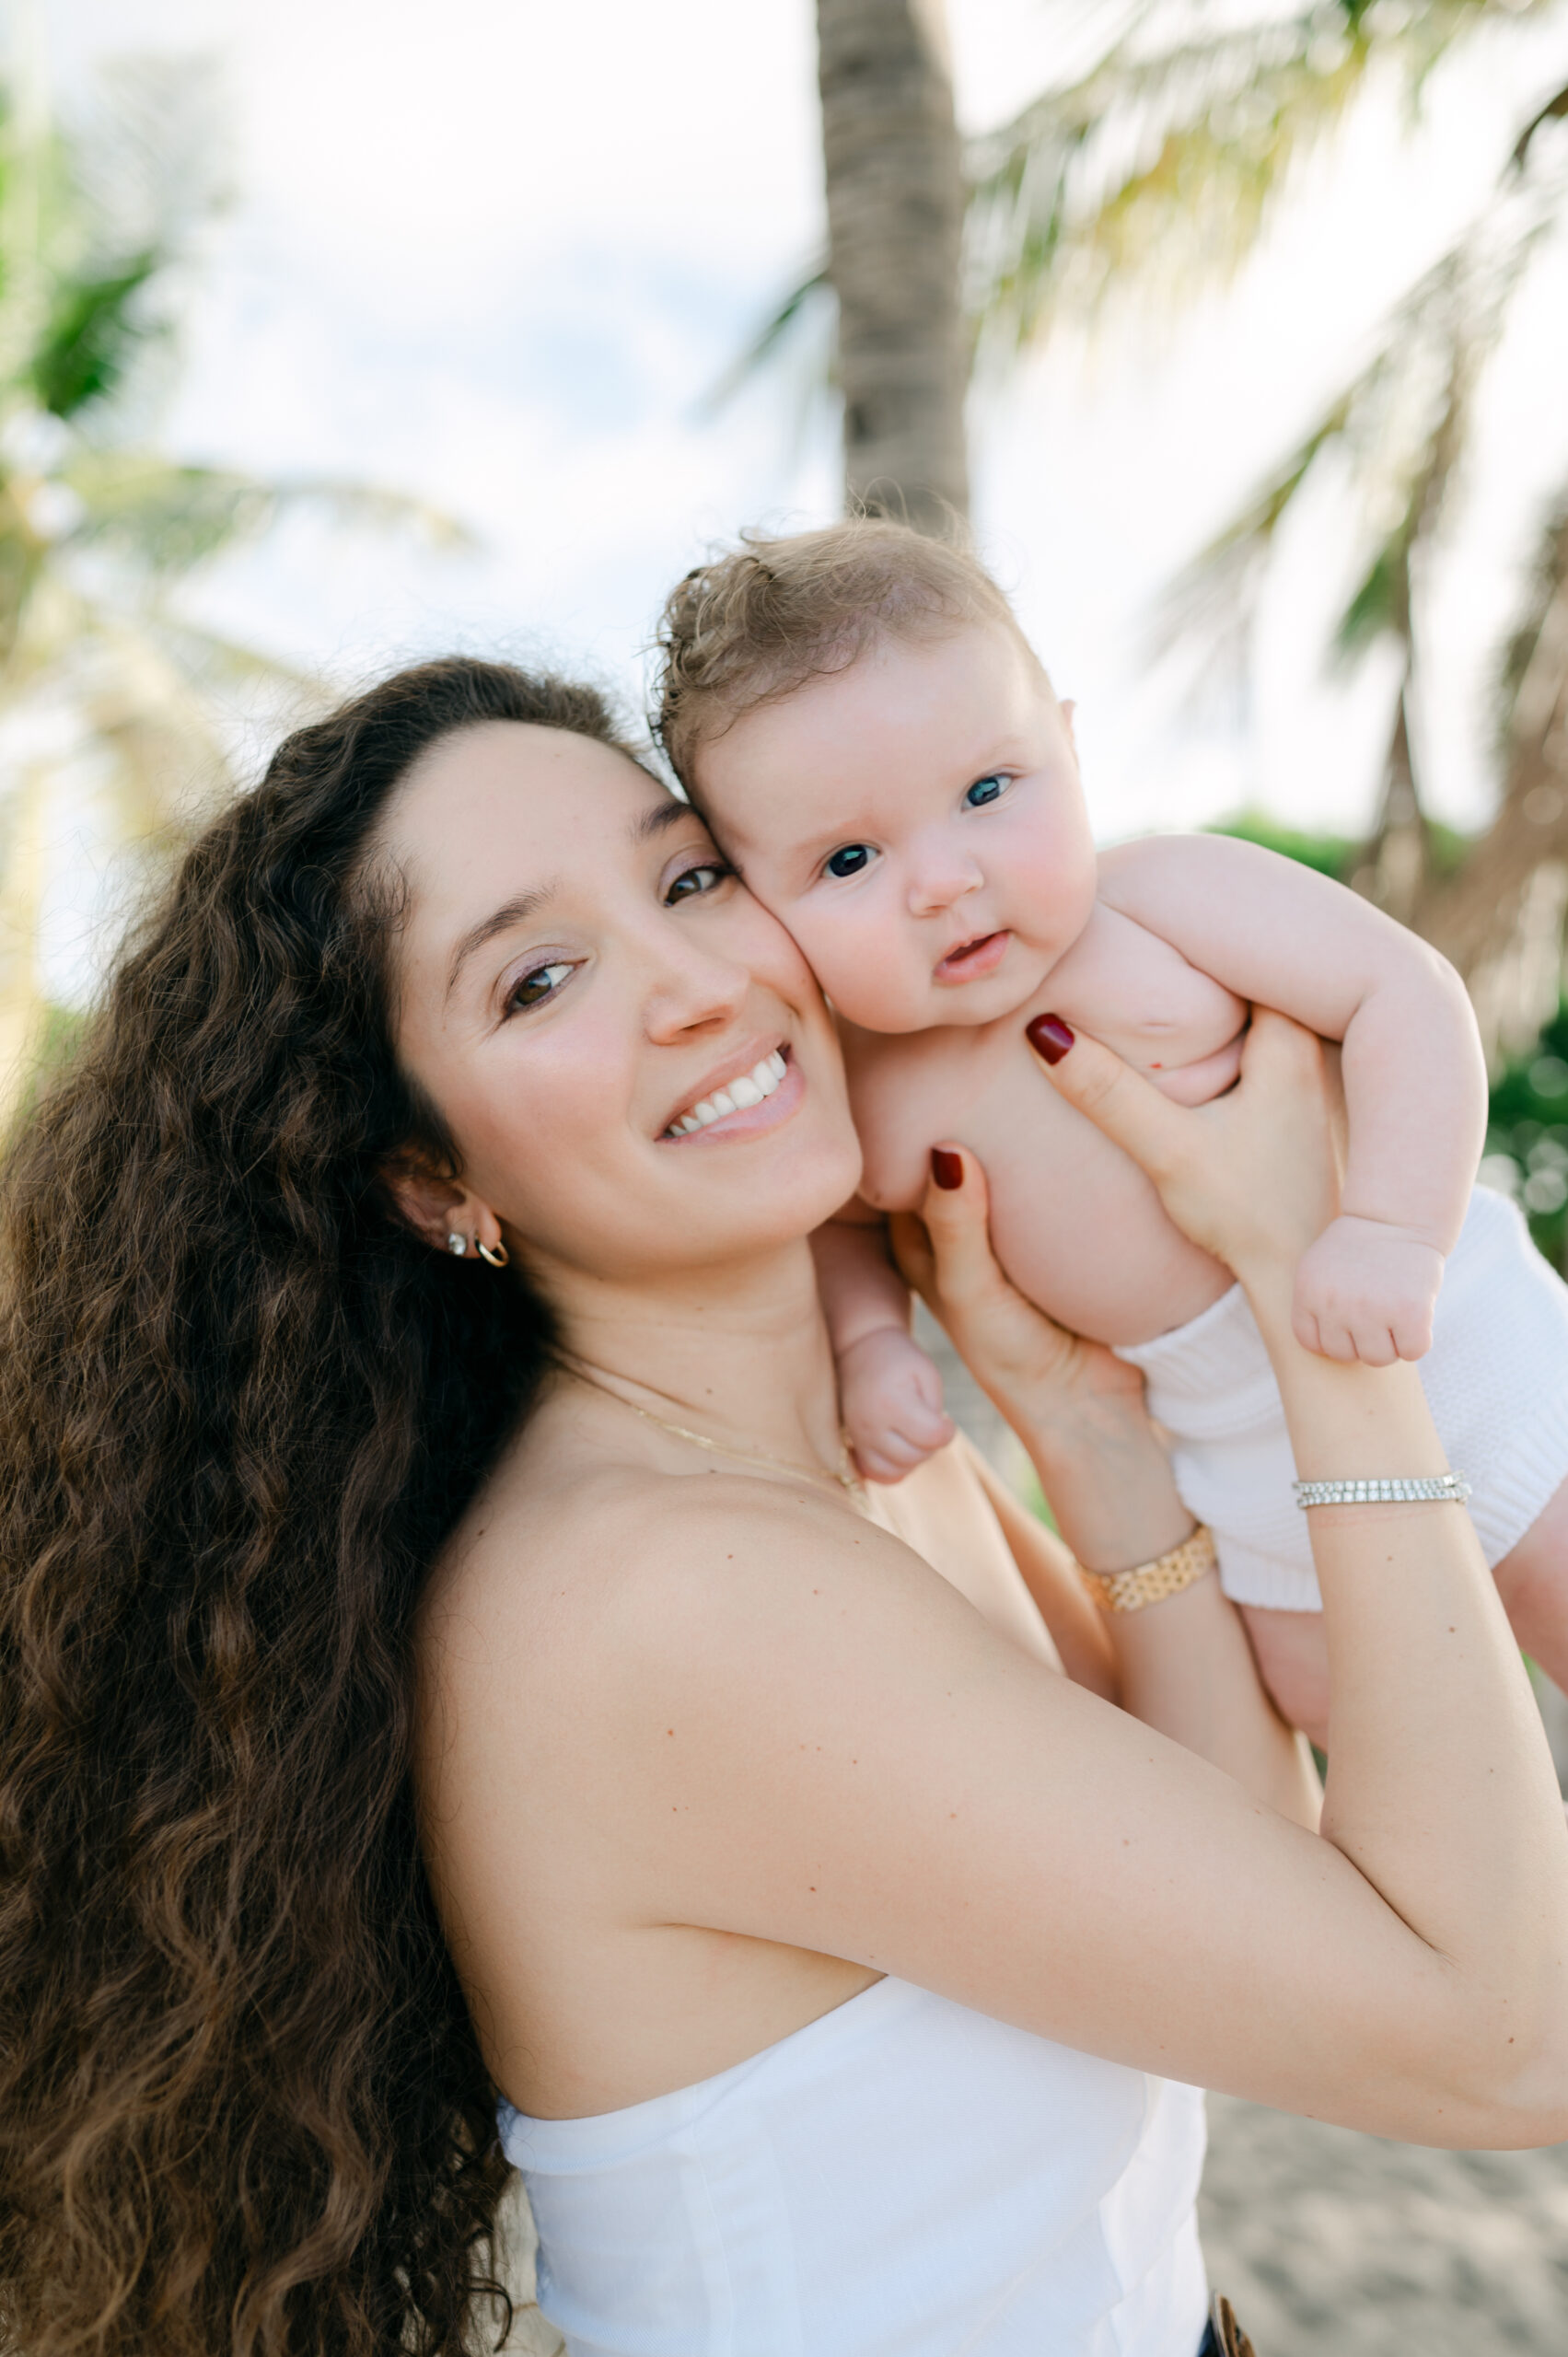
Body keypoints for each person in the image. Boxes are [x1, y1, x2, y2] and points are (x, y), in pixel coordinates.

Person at [2, 656, 1565, 2357]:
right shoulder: (665, 1596)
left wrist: (1081, 1422)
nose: (692, 984)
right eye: (538, 980)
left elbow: (1236, 1852)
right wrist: (1309, 1295)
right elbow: (1506, 2040)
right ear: (433, 1178)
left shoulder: (846, 1464)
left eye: (688, 878)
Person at [653, 519, 1568, 1741]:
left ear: (1070, 750)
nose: (943, 880)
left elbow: (1404, 993)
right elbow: (844, 1235)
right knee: (1366, 1739)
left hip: (1445, 1339)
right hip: (1234, 1460)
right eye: (851, 858)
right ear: (763, 906)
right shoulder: (860, 1100)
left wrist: (1396, 1231)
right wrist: (875, 1346)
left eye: (987, 792)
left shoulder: (1163, 900)